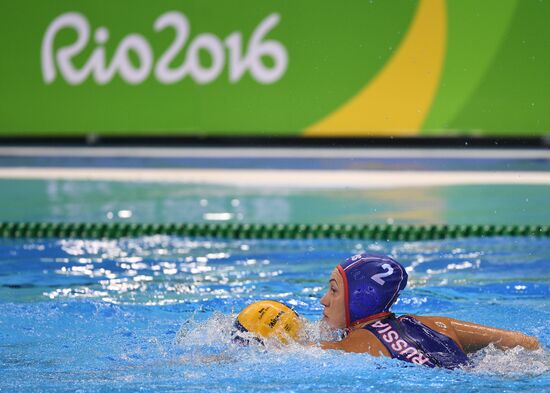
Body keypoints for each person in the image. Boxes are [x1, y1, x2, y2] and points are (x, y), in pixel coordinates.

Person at [318, 253, 540, 368]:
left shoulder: (357, 344)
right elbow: (526, 342)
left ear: (360, 299)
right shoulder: (436, 325)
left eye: (334, 290)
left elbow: (289, 349)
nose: (323, 300)